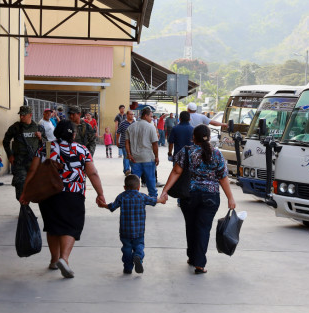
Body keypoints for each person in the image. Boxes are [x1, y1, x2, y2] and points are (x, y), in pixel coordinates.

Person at [20, 120, 105, 279]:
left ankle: (53, 260)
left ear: (56, 132)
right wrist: (100, 194)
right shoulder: (82, 149)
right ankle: (64, 259)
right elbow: (92, 173)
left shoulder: (46, 147)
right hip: (73, 193)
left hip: (48, 193)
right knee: (71, 226)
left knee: (53, 226)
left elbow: (33, 170)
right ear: (73, 134)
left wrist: (26, 192)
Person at [160, 124, 236, 274]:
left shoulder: (186, 151)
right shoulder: (216, 153)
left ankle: (192, 256)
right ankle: (199, 263)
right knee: (203, 228)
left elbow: (176, 171)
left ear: (193, 137)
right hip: (211, 196)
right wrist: (230, 198)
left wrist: (165, 191)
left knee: (191, 226)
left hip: (189, 195)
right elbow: (223, 177)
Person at [99, 174, 166, 274]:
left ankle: (128, 268)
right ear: (139, 187)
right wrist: (162, 200)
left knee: (126, 249)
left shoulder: (122, 196)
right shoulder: (142, 196)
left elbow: (112, 207)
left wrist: (103, 205)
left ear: (125, 187)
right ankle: (138, 256)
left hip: (125, 232)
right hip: (138, 231)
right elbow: (154, 200)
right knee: (139, 245)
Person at [3, 105, 45, 201]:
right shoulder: (15, 127)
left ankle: (27, 206)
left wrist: (40, 138)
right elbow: (5, 141)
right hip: (19, 162)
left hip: (34, 162)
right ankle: (24, 207)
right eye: (20, 115)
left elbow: (47, 145)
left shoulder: (39, 128)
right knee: (20, 184)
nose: (21, 117)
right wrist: (10, 155)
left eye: (24, 115)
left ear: (30, 115)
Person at [126, 107, 159, 198]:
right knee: (150, 179)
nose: (151, 118)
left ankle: (132, 196)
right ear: (145, 116)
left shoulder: (131, 127)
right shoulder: (151, 127)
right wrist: (156, 156)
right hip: (148, 158)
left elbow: (127, 142)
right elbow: (155, 144)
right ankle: (153, 197)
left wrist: (129, 154)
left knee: (134, 180)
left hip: (135, 158)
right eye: (150, 116)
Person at [117, 110, 135, 175]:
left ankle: (132, 169)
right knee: (126, 156)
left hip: (133, 144)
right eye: (130, 114)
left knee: (132, 157)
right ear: (127, 115)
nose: (132, 116)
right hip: (124, 143)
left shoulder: (135, 123)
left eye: (133, 114)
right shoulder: (123, 123)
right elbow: (118, 133)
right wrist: (117, 141)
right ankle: (126, 170)